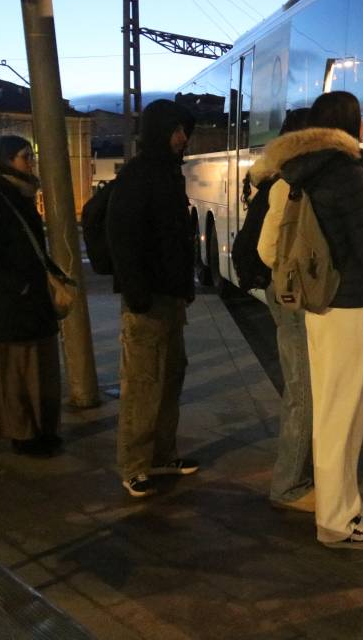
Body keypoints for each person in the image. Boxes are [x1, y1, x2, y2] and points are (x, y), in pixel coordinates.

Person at [263, 91, 363, 550]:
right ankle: (338, 522)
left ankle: (343, 506)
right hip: (348, 305)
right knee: (344, 417)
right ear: (353, 125)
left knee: (332, 413)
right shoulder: (347, 172)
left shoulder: (307, 170)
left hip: (320, 307)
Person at [106, 99, 200, 498]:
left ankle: (162, 454)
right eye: (176, 130)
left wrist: (184, 288)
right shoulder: (140, 175)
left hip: (171, 298)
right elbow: (122, 237)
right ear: (159, 131)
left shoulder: (168, 174)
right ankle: (134, 464)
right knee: (143, 383)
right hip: (146, 300)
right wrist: (136, 292)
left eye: (184, 131)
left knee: (170, 379)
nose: (182, 138)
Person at [0, 135, 64, 456]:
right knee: (18, 370)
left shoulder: (19, 192)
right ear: (7, 159)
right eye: (26, 156)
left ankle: (42, 429)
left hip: (32, 296)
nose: (31, 161)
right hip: (12, 300)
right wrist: (18, 286)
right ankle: (22, 434)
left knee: (42, 368)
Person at [250, 107, 315, 512]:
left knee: (303, 389)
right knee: (302, 391)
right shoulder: (288, 184)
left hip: (284, 293)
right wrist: (292, 276)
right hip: (290, 296)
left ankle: (298, 478)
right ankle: (289, 485)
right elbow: (267, 250)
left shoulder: (280, 177)